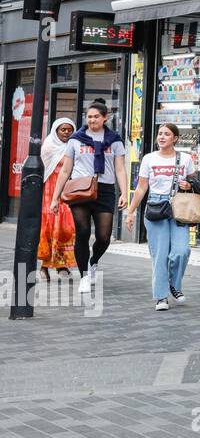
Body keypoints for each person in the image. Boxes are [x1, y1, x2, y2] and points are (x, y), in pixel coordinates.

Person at [49, 103, 128, 295]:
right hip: (80, 189)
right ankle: (84, 275)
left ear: (105, 118)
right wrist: (55, 197)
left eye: (95, 116)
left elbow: (119, 168)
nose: (91, 119)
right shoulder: (76, 140)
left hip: (105, 190)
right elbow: (66, 170)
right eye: (89, 116)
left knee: (103, 237)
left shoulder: (115, 140)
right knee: (83, 232)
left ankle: (94, 262)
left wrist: (125, 192)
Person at [124, 123, 196, 312]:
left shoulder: (186, 159)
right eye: (160, 133)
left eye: (167, 134)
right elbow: (141, 188)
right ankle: (161, 296)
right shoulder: (149, 159)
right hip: (156, 207)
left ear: (175, 139)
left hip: (179, 207)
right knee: (160, 254)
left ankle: (174, 284)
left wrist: (189, 185)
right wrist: (130, 212)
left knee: (181, 251)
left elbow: (195, 183)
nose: (162, 137)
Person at [37, 119, 77, 278]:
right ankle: (45, 265)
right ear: (55, 130)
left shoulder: (74, 146)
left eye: (69, 130)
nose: (66, 132)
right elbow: (43, 171)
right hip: (50, 191)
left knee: (67, 227)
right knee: (49, 227)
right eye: (63, 130)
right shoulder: (47, 147)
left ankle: (61, 264)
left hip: (68, 192)